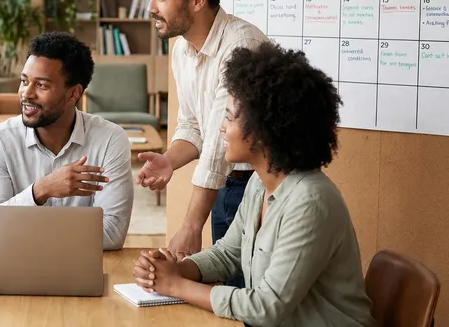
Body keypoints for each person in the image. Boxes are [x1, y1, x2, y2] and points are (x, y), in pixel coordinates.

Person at [132, 43, 375, 326]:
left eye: (229, 117)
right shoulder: (259, 184)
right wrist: (176, 269)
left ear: (265, 129)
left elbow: (265, 307)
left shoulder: (310, 202)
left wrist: (175, 285)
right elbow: (228, 254)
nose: (221, 127)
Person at [135, 0, 269, 271]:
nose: (150, 7)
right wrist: (168, 160)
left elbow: (217, 147)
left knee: (247, 294)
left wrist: (192, 225)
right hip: (225, 185)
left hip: (259, 187)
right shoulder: (182, 50)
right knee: (229, 281)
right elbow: (193, 126)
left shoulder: (242, 44)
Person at [0, 32, 133, 250]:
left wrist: (17, 227)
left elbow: (111, 233)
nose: (26, 94)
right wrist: (40, 190)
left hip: (81, 269)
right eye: (24, 81)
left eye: (41, 85)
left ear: (73, 94)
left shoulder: (109, 139)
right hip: (14, 265)